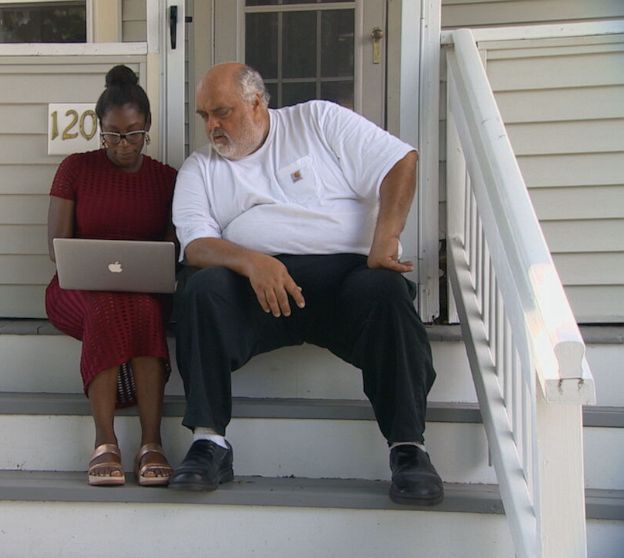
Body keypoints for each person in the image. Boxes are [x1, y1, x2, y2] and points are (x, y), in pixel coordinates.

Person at [168, 62, 444, 505]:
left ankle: (409, 448)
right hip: (256, 292)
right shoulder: (200, 169)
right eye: (204, 115)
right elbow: (197, 243)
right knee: (200, 288)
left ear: (258, 103)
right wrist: (253, 262)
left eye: (222, 111)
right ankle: (209, 442)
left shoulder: (317, 120)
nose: (212, 125)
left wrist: (386, 239)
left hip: (345, 283)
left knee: (387, 291)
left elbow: (399, 161)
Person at [45, 65, 177, 487]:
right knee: (106, 307)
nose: (123, 144)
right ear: (99, 130)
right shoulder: (75, 169)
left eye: (133, 133)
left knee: (143, 308)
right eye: (113, 134)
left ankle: (151, 442)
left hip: (141, 292)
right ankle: (106, 441)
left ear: (148, 126)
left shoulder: (167, 179)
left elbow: (173, 250)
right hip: (77, 289)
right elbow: (55, 247)